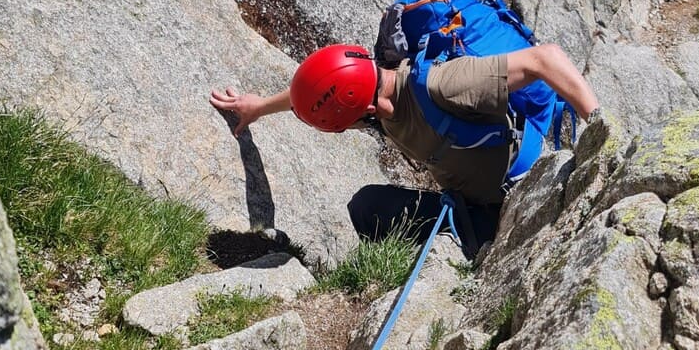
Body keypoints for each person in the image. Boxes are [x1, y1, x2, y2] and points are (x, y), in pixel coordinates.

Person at [210, 40, 600, 258]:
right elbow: (313, 94)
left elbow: (544, 57)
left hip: (521, 195)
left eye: (342, 125)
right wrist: (258, 107)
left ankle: (470, 256)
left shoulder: (443, 85)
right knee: (367, 210)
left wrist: (599, 128)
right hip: (469, 203)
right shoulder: (371, 94)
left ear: (361, 111)